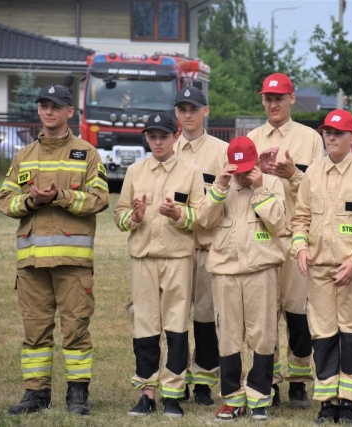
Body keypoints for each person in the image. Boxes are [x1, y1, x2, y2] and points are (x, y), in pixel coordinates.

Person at [0, 84, 109, 416]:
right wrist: (31, 201)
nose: (48, 111)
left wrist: (60, 196)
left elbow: (99, 199)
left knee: (76, 328)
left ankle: (78, 393)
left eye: (56, 106)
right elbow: (5, 200)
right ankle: (36, 393)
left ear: (69, 112)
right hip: (31, 262)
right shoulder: (23, 156)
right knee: (35, 329)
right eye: (44, 105)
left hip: (72, 261)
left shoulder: (87, 153)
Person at [291, 109, 352, 425]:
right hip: (319, 270)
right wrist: (300, 247)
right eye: (327, 132)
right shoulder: (312, 173)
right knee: (322, 336)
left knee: (351, 335)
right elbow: (300, 217)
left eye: (338, 133)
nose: (331, 137)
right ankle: (327, 402)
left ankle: (349, 403)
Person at [114, 112, 205, 417]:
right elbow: (119, 215)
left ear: (175, 137)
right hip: (143, 258)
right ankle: (147, 392)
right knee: (145, 326)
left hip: (178, 258)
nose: (157, 142)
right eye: (152, 137)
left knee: (176, 326)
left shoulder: (191, 172)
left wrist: (179, 215)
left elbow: (201, 217)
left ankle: (173, 395)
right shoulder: (135, 171)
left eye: (163, 136)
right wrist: (134, 218)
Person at [247, 72, 324, 408]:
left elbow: (320, 190)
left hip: (296, 236)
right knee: (264, 314)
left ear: (292, 99)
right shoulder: (252, 138)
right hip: (262, 235)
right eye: (268, 98)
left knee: (297, 312)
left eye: (279, 98)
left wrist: (294, 175)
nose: (273, 104)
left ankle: (299, 382)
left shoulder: (310, 139)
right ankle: (269, 381)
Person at [200, 136, 286, 421]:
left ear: (256, 163)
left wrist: (260, 188)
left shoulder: (271, 184)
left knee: (263, 335)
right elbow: (204, 220)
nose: (242, 175)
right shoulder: (221, 186)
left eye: (247, 169)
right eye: (237, 170)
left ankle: (259, 397)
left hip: (261, 269)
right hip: (225, 271)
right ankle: (233, 399)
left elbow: (278, 222)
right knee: (228, 336)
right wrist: (220, 187)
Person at [173, 86, 228, 405]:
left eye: (193, 108)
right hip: (173, 249)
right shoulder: (166, 148)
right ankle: (176, 379)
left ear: (206, 111)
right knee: (174, 317)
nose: (187, 114)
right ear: (176, 113)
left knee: (207, 318)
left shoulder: (221, 152)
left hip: (207, 248)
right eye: (182, 109)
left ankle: (205, 382)